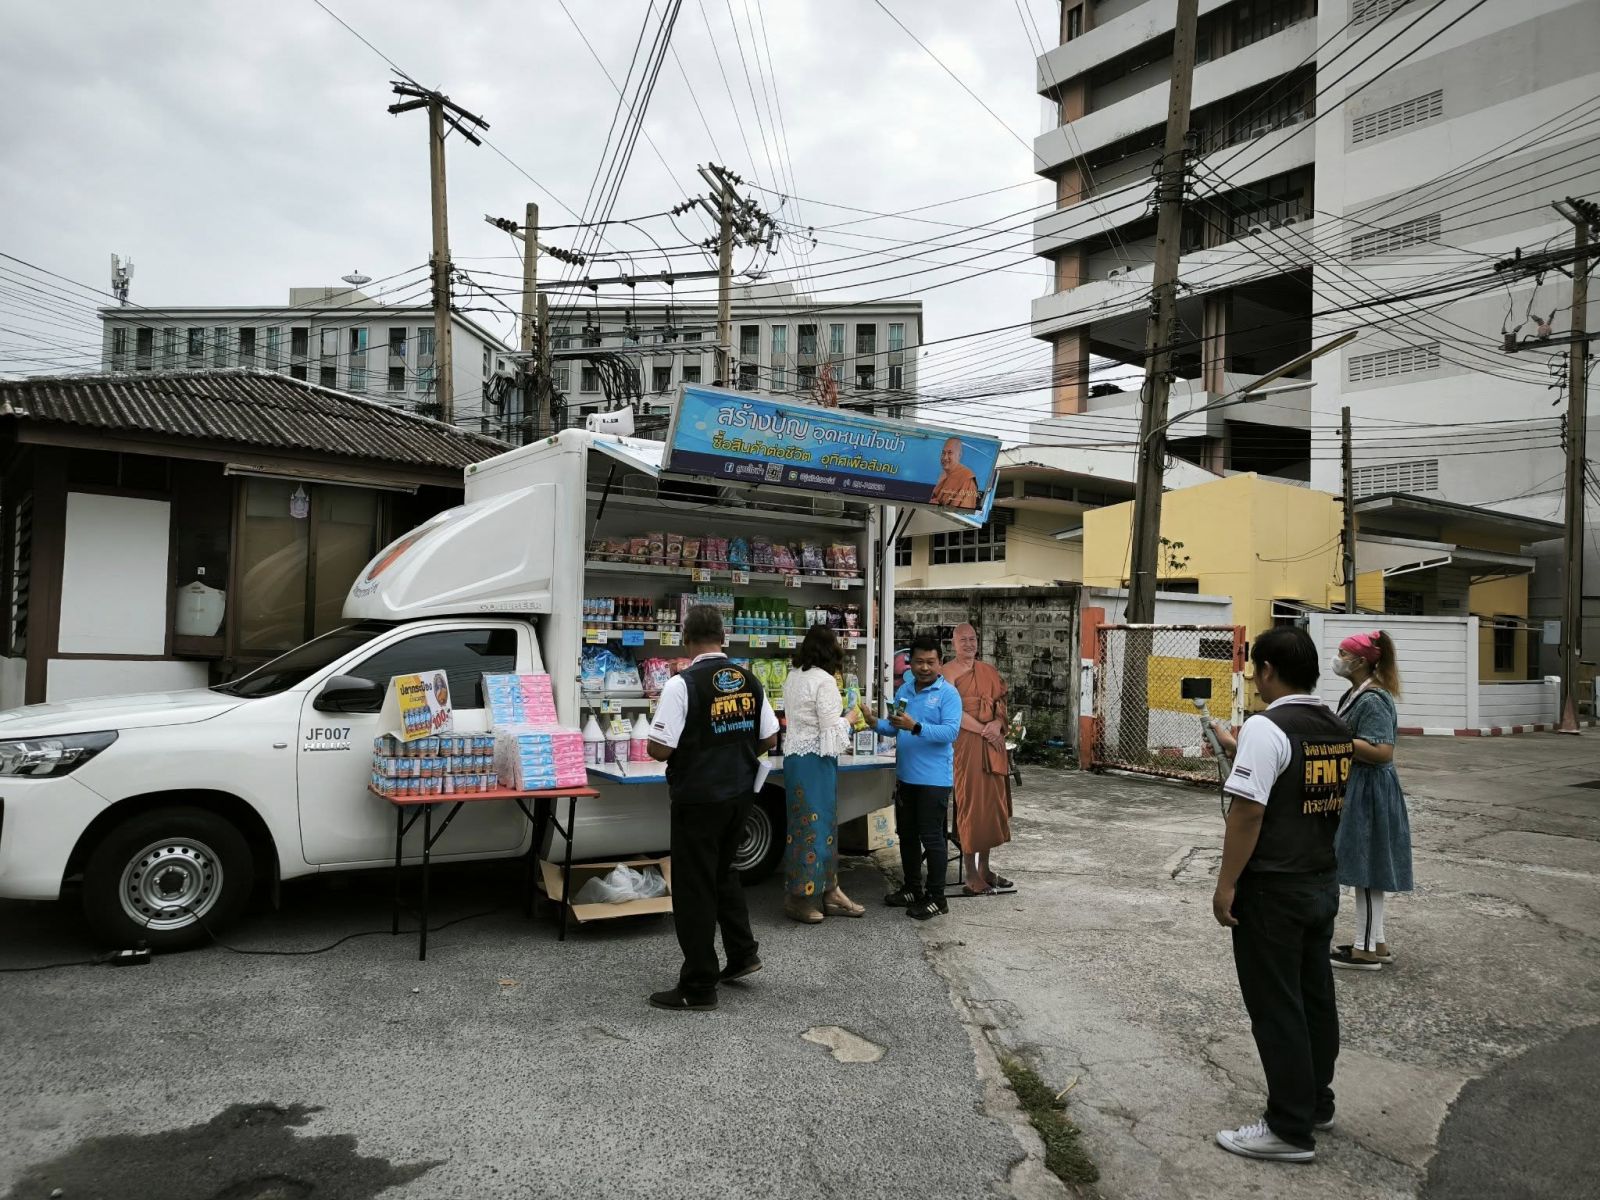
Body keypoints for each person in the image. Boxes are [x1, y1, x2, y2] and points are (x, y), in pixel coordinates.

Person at [1209, 626, 1352, 1163]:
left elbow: (1248, 812)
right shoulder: (1334, 727)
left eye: (1254, 669)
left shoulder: (1267, 726)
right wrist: (1238, 749)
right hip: (1320, 881)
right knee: (1314, 996)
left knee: (1276, 1006)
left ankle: (1289, 1128)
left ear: (1268, 670)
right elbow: (1299, 786)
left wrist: (1226, 885)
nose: (1253, 678)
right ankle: (1316, 1101)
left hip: (1273, 888)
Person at [646, 605, 779, 1012]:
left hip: (699, 798)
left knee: (694, 888)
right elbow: (769, 738)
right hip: (740, 795)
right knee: (723, 873)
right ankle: (742, 953)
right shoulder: (749, 679)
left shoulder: (681, 685)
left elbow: (659, 748)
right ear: (724, 637)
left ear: (685, 639)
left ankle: (699, 985)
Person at [1329, 630, 1413, 970]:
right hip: (1364, 786)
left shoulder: (1373, 699)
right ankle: (1376, 942)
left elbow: (1381, 751)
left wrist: (1335, 740)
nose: (1338, 659)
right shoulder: (1356, 694)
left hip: (1371, 789)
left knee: (1364, 867)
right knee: (1370, 865)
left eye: (1343, 653)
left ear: (1361, 661)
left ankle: (1363, 951)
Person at [781, 624, 871, 924]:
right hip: (817, 763)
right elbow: (831, 734)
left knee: (805, 829)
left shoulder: (793, 676)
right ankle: (800, 898)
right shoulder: (825, 681)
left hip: (795, 760)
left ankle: (829, 890)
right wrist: (851, 718)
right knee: (818, 831)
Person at [878, 635, 963, 921]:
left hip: (933, 781)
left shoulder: (948, 694)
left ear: (940, 663)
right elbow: (894, 727)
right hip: (906, 778)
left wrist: (915, 726)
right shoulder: (905, 691)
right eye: (918, 662)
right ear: (910, 663)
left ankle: (937, 898)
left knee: (932, 839)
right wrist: (871, 722)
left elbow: (950, 732)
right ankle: (912, 888)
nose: (924, 667)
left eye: (930, 662)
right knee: (907, 836)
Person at [942, 623, 1014, 896]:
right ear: (953, 643)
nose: (969, 644)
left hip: (992, 742)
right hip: (967, 743)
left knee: (992, 805)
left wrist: (997, 723)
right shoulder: (947, 672)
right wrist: (985, 730)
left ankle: (985, 868)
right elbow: (952, 712)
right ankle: (970, 873)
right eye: (963, 640)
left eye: (972, 639)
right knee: (971, 804)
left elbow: (1001, 703)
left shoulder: (988, 671)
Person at [929, 437, 979, 510]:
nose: (945, 457)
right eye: (943, 453)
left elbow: (963, 512)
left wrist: (937, 507)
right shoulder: (944, 473)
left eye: (950, 453)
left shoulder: (967, 478)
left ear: (959, 455)